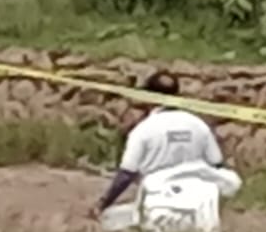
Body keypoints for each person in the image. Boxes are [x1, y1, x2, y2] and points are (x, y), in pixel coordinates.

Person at [89, 70, 225, 219]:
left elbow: (126, 175)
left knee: (111, 219)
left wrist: (102, 205)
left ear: (149, 97)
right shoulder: (199, 126)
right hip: (199, 210)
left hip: (158, 209)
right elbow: (217, 166)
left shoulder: (143, 130)